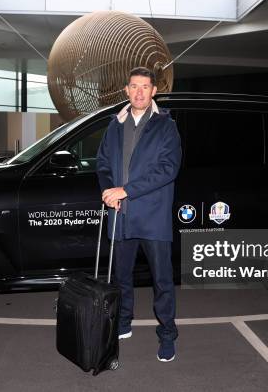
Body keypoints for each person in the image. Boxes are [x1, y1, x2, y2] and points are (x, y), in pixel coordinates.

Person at [96, 66, 182, 362]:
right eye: (134, 86)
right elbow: (104, 165)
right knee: (122, 278)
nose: (140, 92)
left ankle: (168, 335)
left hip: (153, 217)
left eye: (145, 86)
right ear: (126, 90)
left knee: (162, 281)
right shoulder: (115, 124)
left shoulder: (165, 125)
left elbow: (168, 170)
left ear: (154, 91)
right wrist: (110, 191)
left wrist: (126, 190)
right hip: (121, 216)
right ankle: (123, 322)